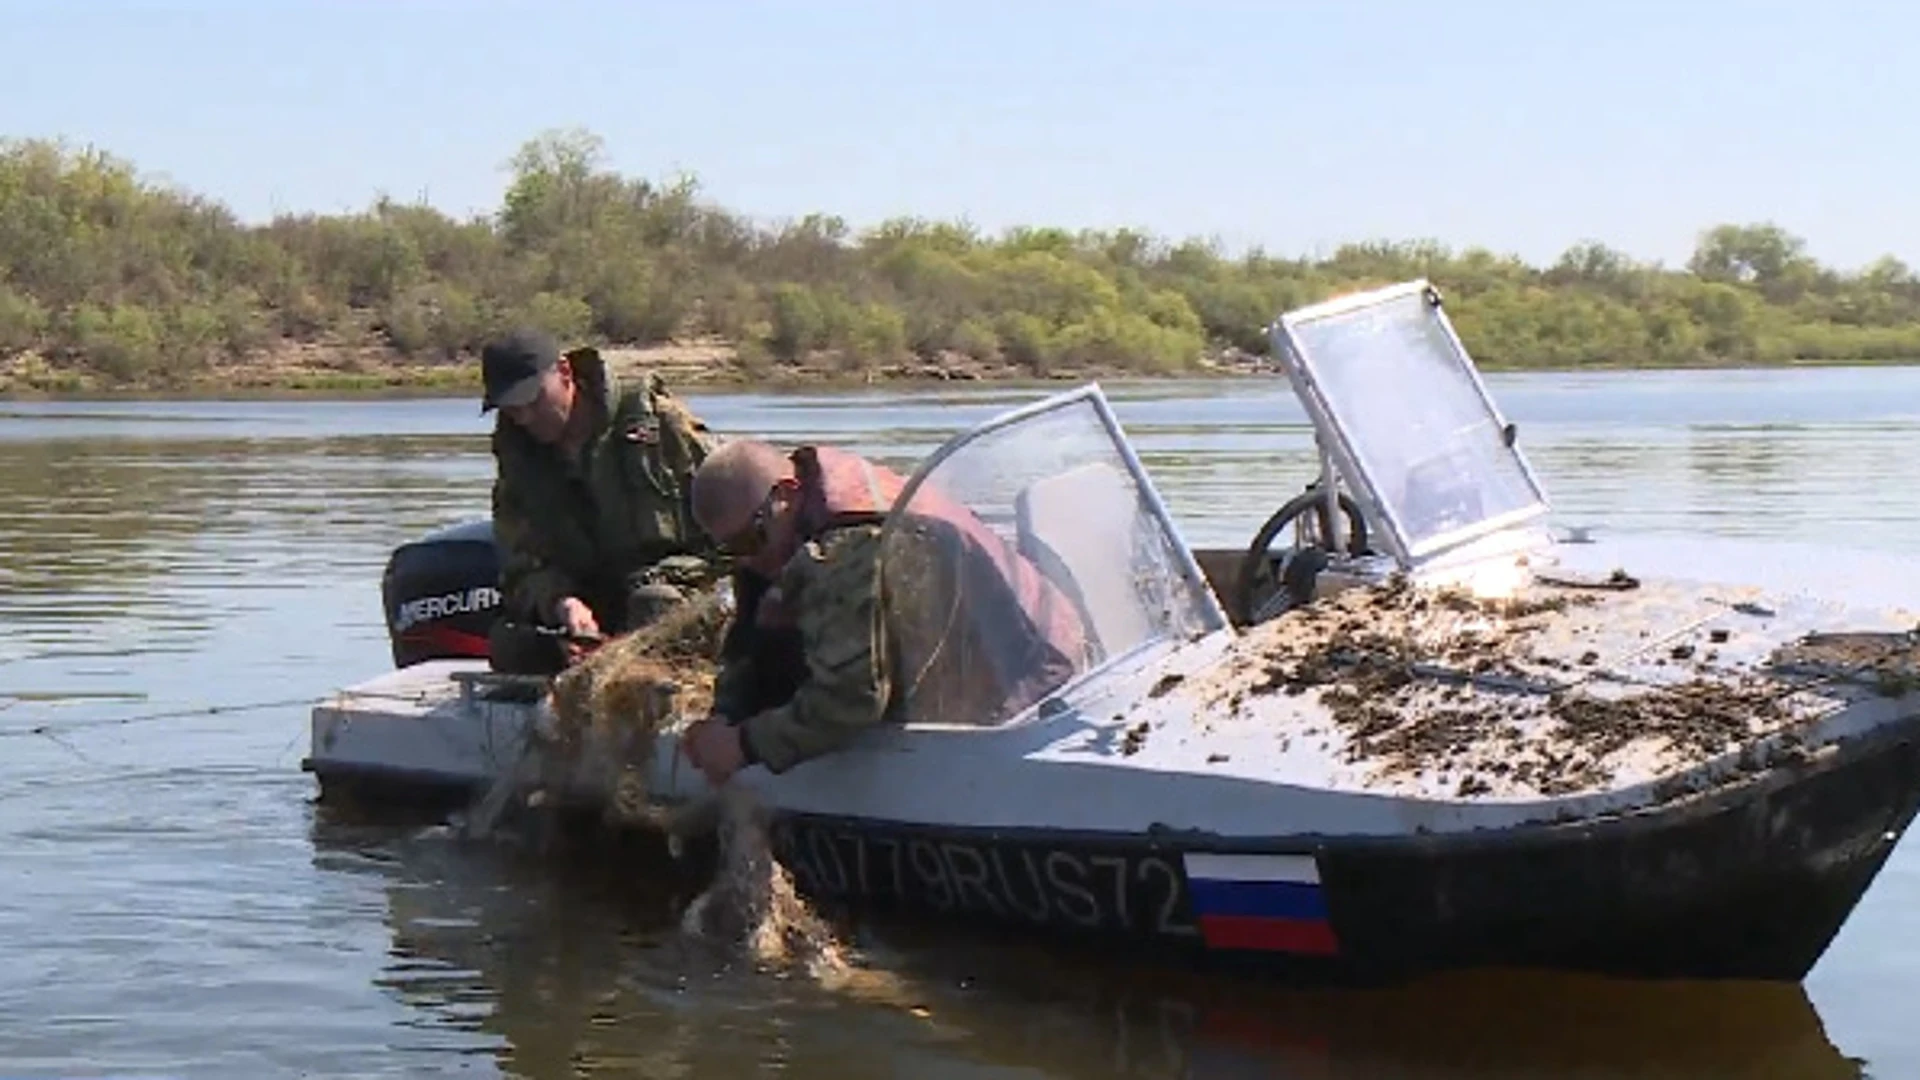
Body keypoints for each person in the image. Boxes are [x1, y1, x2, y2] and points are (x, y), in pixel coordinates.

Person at [678, 439, 1088, 785]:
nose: (745, 560)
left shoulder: (847, 545)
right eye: (728, 550)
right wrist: (726, 715)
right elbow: (752, 639)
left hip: (1030, 678)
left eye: (750, 539)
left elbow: (852, 699)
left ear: (785, 494)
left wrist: (745, 746)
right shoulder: (797, 508)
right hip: (1037, 638)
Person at [481, 327, 721, 676]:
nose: (526, 418)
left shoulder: (661, 425)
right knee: (510, 644)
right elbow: (520, 567)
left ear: (564, 373)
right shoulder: (519, 462)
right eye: (513, 410)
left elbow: (738, 528)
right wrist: (561, 603)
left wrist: (676, 577)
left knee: (653, 603)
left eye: (533, 401)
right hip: (589, 615)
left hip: (671, 596)